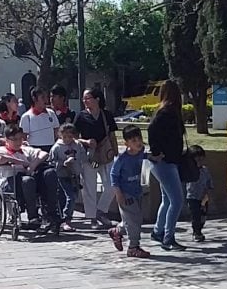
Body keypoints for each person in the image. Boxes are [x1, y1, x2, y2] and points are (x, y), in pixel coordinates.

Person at [0, 124, 61, 234]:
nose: (18, 142)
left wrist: (32, 165)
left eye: (20, 138)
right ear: (7, 140)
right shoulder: (2, 149)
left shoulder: (25, 149)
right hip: (11, 181)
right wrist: (21, 162)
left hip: (29, 178)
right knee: (27, 181)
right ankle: (32, 216)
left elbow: (44, 154)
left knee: (49, 173)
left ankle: (52, 213)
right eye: (14, 139)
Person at [147, 80, 186, 251]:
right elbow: (152, 131)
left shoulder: (164, 111)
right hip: (166, 162)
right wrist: (158, 152)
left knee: (167, 199)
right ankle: (168, 237)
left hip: (164, 161)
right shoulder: (168, 112)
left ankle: (158, 230)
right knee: (177, 200)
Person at [74, 87, 119, 229]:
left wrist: (115, 150)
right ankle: (92, 218)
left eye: (88, 98)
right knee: (90, 186)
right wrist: (85, 142)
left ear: (97, 99)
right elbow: (73, 136)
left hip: (105, 155)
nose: (85, 101)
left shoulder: (106, 115)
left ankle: (102, 210)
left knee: (112, 184)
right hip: (91, 158)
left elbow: (112, 134)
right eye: (84, 99)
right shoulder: (81, 116)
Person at [108, 126, 151, 258]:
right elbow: (113, 176)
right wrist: (118, 194)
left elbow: (145, 161)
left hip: (137, 191)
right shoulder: (122, 159)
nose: (138, 142)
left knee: (132, 219)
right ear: (126, 143)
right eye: (133, 140)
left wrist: (153, 157)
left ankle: (117, 231)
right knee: (135, 220)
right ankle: (133, 247)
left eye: (139, 139)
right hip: (126, 194)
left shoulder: (141, 152)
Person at [48, 123, 87, 232]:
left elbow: (83, 158)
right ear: (60, 135)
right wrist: (63, 163)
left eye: (70, 136)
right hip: (62, 175)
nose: (67, 139)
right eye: (65, 136)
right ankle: (65, 219)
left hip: (75, 175)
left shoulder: (78, 145)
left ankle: (65, 219)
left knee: (74, 196)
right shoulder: (57, 147)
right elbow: (51, 162)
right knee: (70, 197)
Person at [186, 145, 213, 242]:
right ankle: (196, 232)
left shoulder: (205, 170)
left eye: (201, 159)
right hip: (192, 197)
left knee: (203, 216)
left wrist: (208, 193)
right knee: (195, 215)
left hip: (204, 197)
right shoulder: (189, 171)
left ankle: (200, 229)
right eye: (197, 160)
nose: (199, 162)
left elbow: (209, 182)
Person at [20, 86, 59, 152]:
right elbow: (23, 137)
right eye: (42, 97)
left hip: (51, 147)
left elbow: (56, 131)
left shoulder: (51, 113)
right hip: (34, 149)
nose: (46, 100)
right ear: (34, 99)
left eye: (46, 97)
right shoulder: (26, 116)